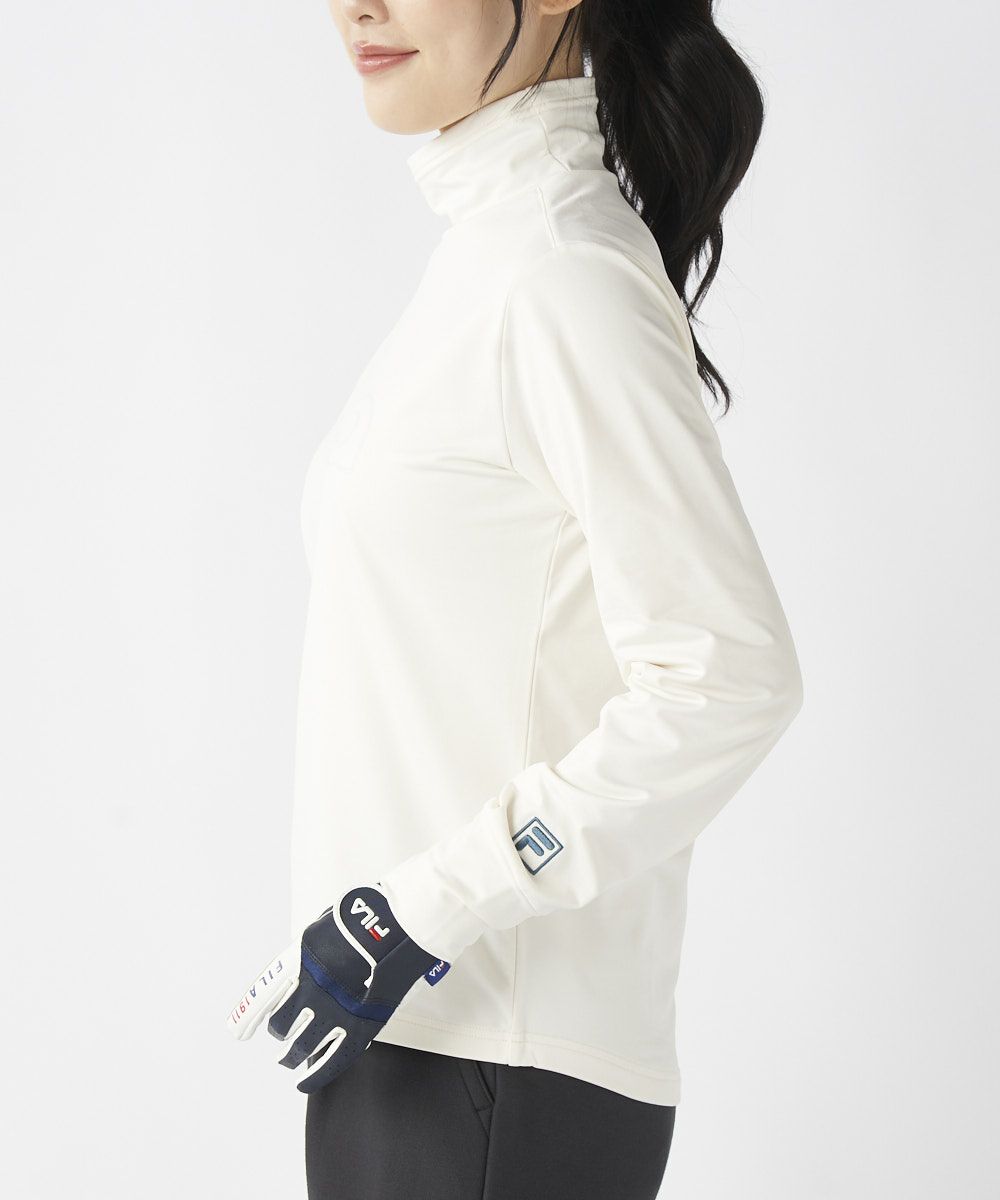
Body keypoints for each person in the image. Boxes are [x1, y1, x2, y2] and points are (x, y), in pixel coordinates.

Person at [226, 1, 804, 1196]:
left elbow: (726, 676)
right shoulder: (491, 258)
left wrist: (424, 908)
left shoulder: (562, 272)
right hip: (415, 1039)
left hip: (499, 1060)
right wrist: (394, 928)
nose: (357, 6)